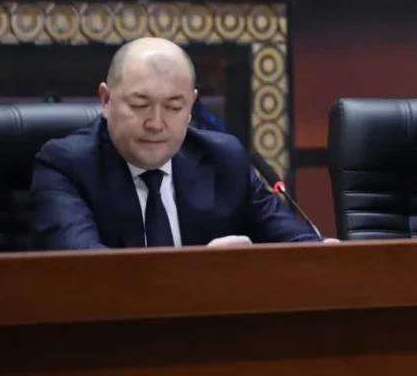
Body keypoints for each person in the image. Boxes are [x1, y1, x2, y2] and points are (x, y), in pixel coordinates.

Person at [30, 37, 327, 249]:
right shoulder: (65, 166)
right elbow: (86, 272)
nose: (156, 123)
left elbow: (295, 243)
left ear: (191, 107)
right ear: (106, 100)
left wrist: (321, 252)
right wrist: (201, 273)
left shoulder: (223, 158)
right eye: (140, 105)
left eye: (174, 107)